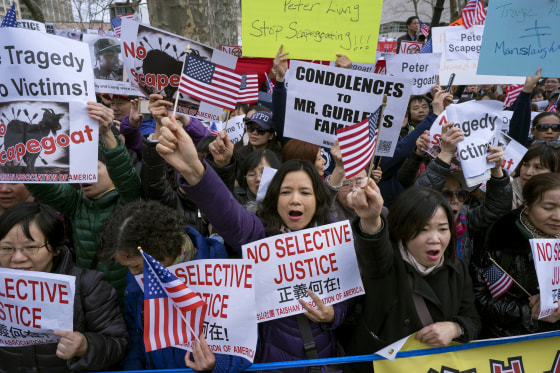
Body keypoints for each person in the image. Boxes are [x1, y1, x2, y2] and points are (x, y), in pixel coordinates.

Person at [155, 116, 352, 373]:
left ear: (317, 199)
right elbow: (228, 215)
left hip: (321, 361)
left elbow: (349, 295)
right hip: (270, 362)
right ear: (274, 198)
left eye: (304, 192)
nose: (295, 200)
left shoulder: (332, 236)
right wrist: (194, 169)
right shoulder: (259, 234)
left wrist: (333, 314)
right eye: (285, 192)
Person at [340, 183, 481, 373]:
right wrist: (371, 219)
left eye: (442, 229)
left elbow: (473, 320)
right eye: (423, 229)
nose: (435, 239)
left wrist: (455, 328)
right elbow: (374, 245)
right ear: (403, 230)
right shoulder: (386, 264)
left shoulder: (457, 269)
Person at [97, 200, 249, 372]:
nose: (133, 273)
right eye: (129, 267)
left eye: (137, 266)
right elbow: (136, 335)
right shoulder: (137, 278)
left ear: (159, 247)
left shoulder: (221, 271)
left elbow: (245, 342)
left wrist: (217, 365)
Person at [25, 102, 142, 307]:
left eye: (93, 168)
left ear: (111, 171)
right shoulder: (76, 202)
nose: (85, 176)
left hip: (127, 299)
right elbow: (41, 187)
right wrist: (27, 154)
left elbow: (124, 172)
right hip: (91, 298)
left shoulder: (129, 200)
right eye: (81, 169)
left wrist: (106, 132)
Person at [0, 202, 128, 372]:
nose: (17, 258)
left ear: (55, 248)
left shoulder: (88, 286)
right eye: (6, 248)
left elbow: (118, 343)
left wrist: (85, 346)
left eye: (30, 248)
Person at [471, 173, 560, 338]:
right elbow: (480, 297)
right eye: (548, 208)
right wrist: (530, 312)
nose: (557, 217)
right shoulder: (499, 238)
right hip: (509, 343)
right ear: (526, 205)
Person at [415, 122, 512, 265]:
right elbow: (419, 199)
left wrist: (497, 171)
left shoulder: (466, 218)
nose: (455, 200)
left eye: (461, 194)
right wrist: (447, 153)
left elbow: (497, 209)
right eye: (446, 193)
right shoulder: (413, 223)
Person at [510, 140, 560, 209]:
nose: (528, 172)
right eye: (525, 165)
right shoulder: (508, 193)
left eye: (538, 167)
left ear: (556, 173)